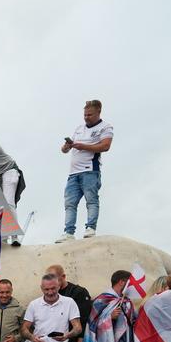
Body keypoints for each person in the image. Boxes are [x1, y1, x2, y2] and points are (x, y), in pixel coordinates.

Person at [57, 99, 114, 242]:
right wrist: (67, 147)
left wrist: (83, 146)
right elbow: (65, 150)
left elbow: (105, 146)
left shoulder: (105, 127)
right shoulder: (79, 129)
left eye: (90, 115)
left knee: (91, 200)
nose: (86, 117)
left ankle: (91, 228)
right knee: (70, 203)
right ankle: (68, 232)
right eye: (85, 115)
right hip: (73, 173)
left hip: (90, 170)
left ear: (98, 112)